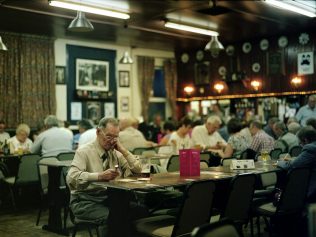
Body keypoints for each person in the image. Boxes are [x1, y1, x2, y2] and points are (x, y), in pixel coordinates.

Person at [66, 117, 142, 236]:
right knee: (116, 217)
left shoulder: (115, 152)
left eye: (115, 137)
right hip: (86, 201)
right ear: (98, 132)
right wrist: (98, 176)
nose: (112, 141)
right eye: (108, 136)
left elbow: (138, 171)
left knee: (140, 211)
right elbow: (71, 178)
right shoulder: (84, 151)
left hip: (109, 200)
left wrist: (123, 150)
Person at [277, 126, 316, 203]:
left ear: (305, 140)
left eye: (300, 143)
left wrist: (278, 162)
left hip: (311, 192)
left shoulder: (310, 148)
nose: (300, 146)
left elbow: (291, 166)